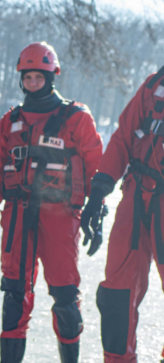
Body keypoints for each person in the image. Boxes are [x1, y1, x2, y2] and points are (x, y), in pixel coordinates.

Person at [0, 42, 103, 363]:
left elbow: (96, 167)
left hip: (60, 216)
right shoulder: (10, 121)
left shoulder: (76, 118)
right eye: (28, 77)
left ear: (51, 77)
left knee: (64, 295)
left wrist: (96, 211)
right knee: (15, 295)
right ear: (21, 78)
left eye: (39, 77)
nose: (33, 82)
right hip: (17, 216)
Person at [81, 64, 164, 362]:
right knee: (116, 292)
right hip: (136, 197)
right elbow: (123, 137)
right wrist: (99, 190)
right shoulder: (155, 84)